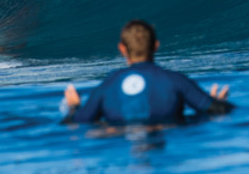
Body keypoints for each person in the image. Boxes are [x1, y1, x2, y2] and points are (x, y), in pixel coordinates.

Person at [62, 19, 234, 125]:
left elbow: (78, 122)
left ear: (122, 49)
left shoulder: (107, 86)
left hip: (117, 139)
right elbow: (218, 109)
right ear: (156, 46)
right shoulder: (175, 81)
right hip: (169, 131)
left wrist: (74, 107)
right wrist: (216, 103)